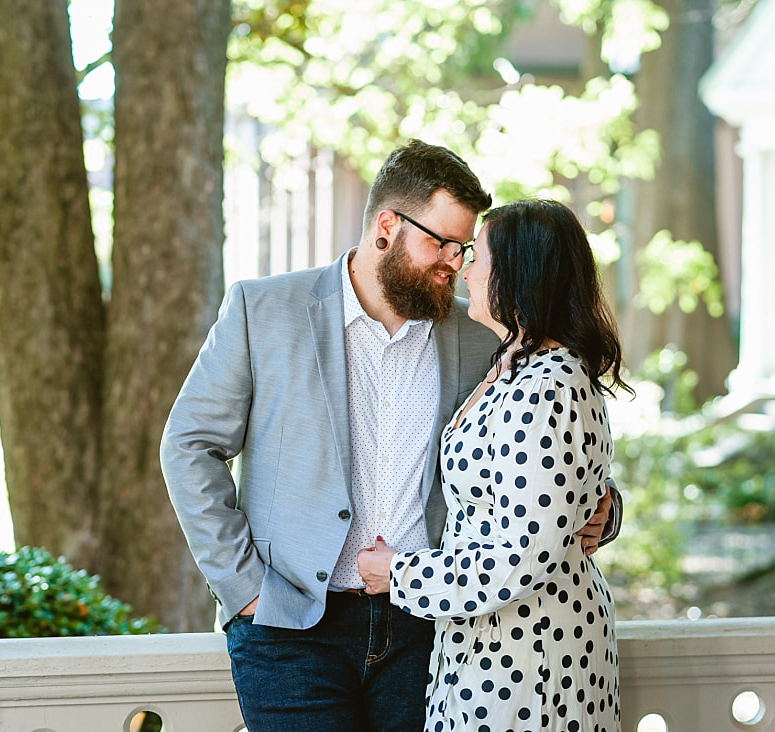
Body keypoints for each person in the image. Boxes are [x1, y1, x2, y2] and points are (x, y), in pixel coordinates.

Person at [161, 141, 619, 732]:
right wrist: (245, 587)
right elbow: (189, 445)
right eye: (441, 243)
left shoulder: (485, 332)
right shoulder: (263, 309)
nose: (454, 263)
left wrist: (602, 511)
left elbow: (549, 458)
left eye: (464, 248)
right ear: (386, 226)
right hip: (291, 630)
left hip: (427, 632)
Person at [358, 198, 627, 732]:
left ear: (518, 275)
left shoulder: (549, 389)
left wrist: (399, 573)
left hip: (531, 657)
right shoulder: (512, 366)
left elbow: (519, 556)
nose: (462, 266)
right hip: (483, 643)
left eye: (477, 256)